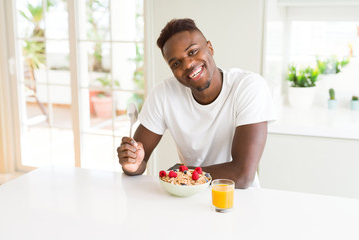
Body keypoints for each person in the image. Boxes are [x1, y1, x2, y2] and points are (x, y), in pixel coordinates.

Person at [117, 18, 276, 189]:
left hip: (239, 200)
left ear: (210, 48)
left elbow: (242, 175)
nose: (188, 64)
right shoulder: (163, 94)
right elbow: (139, 163)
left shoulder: (248, 86)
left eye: (192, 52)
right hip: (189, 197)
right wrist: (131, 163)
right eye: (176, 63)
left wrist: (182, 173)